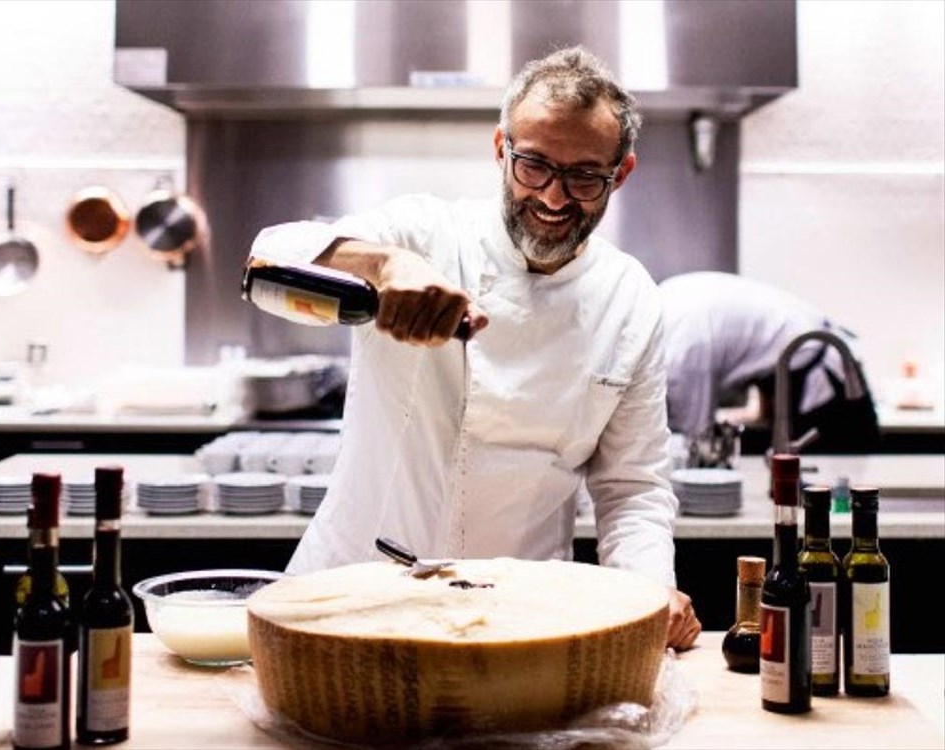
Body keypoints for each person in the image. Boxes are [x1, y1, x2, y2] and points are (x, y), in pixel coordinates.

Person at [249, 46, 701, 650]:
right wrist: (385, 265)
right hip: (359, 592)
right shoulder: (425, 234)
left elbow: (633, 487)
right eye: (533, 166)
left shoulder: (630, 296)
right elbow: (268, 258)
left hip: (524, 615)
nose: (554, 198)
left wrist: (652, 591)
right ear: (500, 150)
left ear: (621, 174)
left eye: (584, 177)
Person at [659, 271, 880, 454]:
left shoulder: (682, 351)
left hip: (823, 379)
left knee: (850, 477)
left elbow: (696, 439)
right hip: (801, 359)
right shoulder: (665, 300)